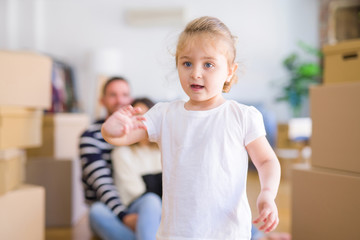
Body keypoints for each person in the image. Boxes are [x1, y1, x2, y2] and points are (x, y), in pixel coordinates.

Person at [101, 16, 281, 240]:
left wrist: (267, 194)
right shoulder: (164, 114)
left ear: (229, 71)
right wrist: (111, 130)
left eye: (208, 64)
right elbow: (123, 137)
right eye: (187, 63)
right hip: (177, 233)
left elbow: (266, 161)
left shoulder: (242, 116)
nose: (195, 73)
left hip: (227, 232)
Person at [79, 77, 161, 240]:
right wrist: (123, 215)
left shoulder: (146, 137)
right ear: (102, 100)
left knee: (151, 204)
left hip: (145, 206)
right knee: (97, 212)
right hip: (113, 207)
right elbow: (102, 183)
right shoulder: (91, 136)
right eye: (113, 95)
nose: (120, 100)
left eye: (125, 95)